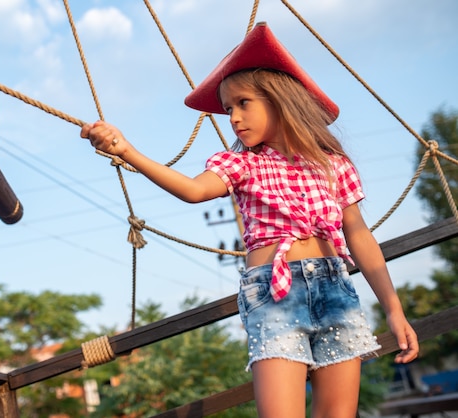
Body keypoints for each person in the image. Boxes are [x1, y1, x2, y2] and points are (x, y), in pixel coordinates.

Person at [80, 22, 419, 417]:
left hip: (336, 293)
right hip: (275, 296)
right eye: (227, 109)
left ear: (280, 100)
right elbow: (193, 190)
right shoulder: (240, 164)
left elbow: (359, 236)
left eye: (243, 103)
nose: (234, 118)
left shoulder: (332, 165)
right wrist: (127, 150)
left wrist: (394, 310)